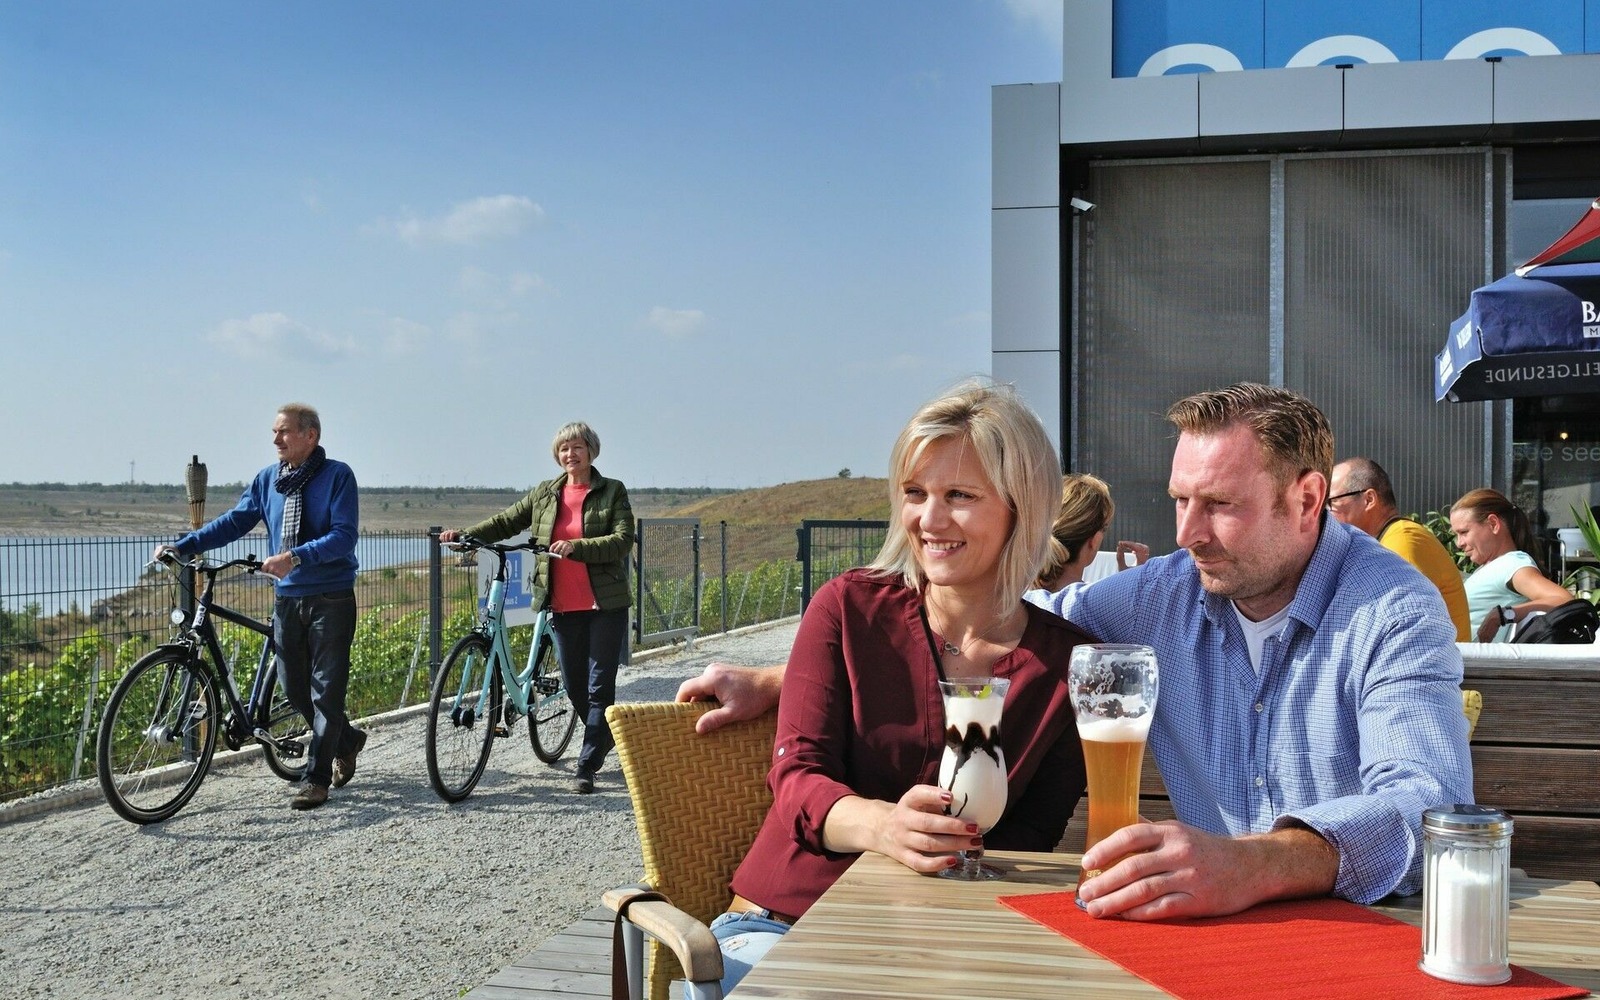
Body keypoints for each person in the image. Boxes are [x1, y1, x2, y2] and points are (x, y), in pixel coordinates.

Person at [681, 383, 1474, 921]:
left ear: (1306, 499)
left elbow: (1432, 808)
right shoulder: (1163, 595)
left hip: (1351, 926)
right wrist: (786, 677)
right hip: (1187, 930)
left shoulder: (1392, 610)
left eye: (1220, 505)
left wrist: (1254, 864)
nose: (1187, 534)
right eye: (1179, 501)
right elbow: (988, 629)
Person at [706, 380, 1091, 995]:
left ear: (1022, 506)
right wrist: (885, 826)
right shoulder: (848, 608)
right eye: (916, 493)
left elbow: (1033, 834)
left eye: (959, 495)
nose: (929, 520)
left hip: (952, 942)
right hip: (786, 924)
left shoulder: (1066, 664)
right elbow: (797, 777)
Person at [154, 403, 365, 811]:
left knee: (326, 692)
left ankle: (316, 778)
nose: (275, 439)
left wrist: (295, 557)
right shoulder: (269, 479)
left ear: (310, 436)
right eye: (274, 432)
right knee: (294, 687)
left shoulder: (338, 476)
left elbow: (344, 536)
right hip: (287, 598)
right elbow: (235, 521)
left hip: (332, 597)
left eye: (283, 432)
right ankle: (349, 740)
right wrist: (184, 545)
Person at [439, 421, 633, 795]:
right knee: (575, 685)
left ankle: (587, 765)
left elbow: (623, 540)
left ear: (591, 451)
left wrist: (578, 547)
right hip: (561, 604)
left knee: (598, 688)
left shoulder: (612, 491)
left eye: (577, 447)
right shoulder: (545, 493)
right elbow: (507, 520)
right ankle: (605, 736)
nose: (570, 454)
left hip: (604, 605)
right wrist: (466, 536)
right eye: (564, 449)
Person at [1328, 457, 1471, 642]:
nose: (1326, 513)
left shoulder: (1403, 540)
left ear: (1369, 499)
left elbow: (1400, 624)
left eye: (1332, 502)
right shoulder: (1390, 539)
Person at [1449, 488, 1573, 642]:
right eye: (1456, 535)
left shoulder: (1512, 564)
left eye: (1464, 532)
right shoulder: (1494, 567)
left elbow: (1564, 600)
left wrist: (1505, 614)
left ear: (1493, 524)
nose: (1459, 543)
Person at [1024, 472, 1147, 614]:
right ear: (1094, 540)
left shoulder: (1014, 601)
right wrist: (1130, 586)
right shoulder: (1102, 609)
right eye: (1104, 529)